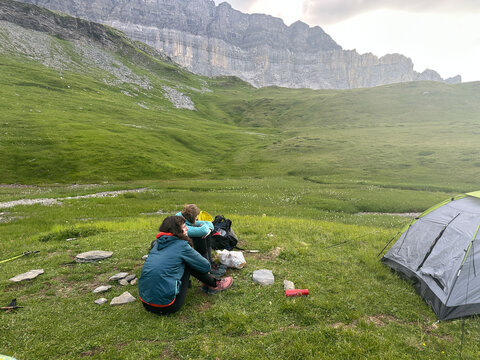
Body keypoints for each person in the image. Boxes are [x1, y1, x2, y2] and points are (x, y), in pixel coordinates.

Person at [139, 216, 233, 315]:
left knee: (176, 263)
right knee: (188, 262)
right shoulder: (181, 245)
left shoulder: (157, 244)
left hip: (146, 302)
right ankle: (214, 284)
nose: (187, 228)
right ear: (177, 230)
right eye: (184, 227)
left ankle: (199, 284)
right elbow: (205, 266)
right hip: (168, 306)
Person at [177, 204, 226, 276]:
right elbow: (203, 231)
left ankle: (210, 262)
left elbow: (209, 223)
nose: (197, 218)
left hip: (185, 243)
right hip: (181, 246)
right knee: (201, 236)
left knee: (205, 233)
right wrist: (207, 229)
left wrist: (208, 229)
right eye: (196, 217)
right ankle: (207, 266)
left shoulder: (186, 219)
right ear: (192, 217)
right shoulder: (180, 223)